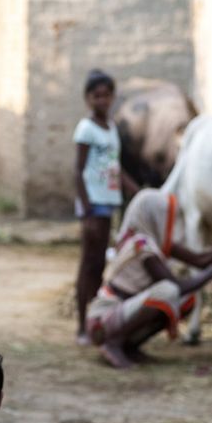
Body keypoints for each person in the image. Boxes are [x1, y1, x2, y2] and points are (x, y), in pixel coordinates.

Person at [85, 187, 212, 371]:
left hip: (123, 311)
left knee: (185, 301)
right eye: (166, 216)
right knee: (168, 292)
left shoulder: (153, 241)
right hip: (103, 319)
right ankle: (112, 342)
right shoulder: (142, 245)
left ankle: (129, 345)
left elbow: (200, 260)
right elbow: (176, 286)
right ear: (152, 216)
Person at [73, 70, 132, 345]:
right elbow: (78, 171)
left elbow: (114, 168)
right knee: (88, 265)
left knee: (99, 266)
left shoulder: (111, 127)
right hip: (93, 205)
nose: (102, 100)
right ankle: (81, 326)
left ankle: (94, 322)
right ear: (88, 99)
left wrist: (138, 191)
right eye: (97, 95)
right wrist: (85, 211)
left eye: (107, 95)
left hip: (109, 203)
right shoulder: (86, 129)